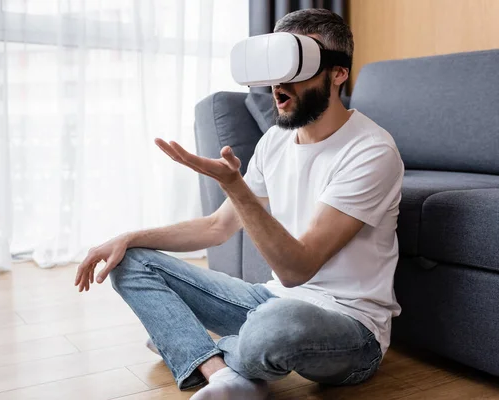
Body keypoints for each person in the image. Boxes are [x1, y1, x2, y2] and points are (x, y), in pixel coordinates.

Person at [74, 8, 403, 400]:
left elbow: (297, 269)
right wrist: (129, 237)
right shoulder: (276, 142)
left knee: (276, 325)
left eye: (298, 66)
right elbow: (217, 227)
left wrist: (235, 184)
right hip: (269, 300)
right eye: (277, 65)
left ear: (337, 73)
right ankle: (221, 373)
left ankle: (185, 343)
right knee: (129, 259)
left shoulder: (371, 150)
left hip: (350, 327)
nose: (280, 84)